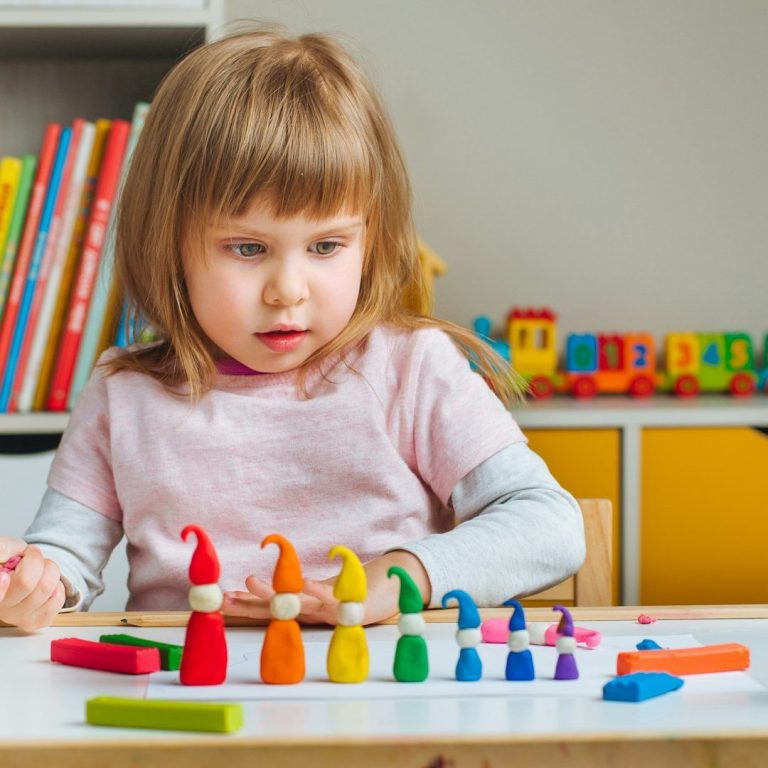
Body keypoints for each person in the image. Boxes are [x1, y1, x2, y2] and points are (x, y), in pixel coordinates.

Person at [0, 26, 585, 632]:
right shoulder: (123, 395)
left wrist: (400, 575)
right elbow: (64, 562)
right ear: (169, 245)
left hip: (376, 700)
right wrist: (30, 585)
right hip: (187, 706)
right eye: (248, 247)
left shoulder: (412, 369)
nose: (289, 289)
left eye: (326, 245)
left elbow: (549, 523)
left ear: (369, 237)